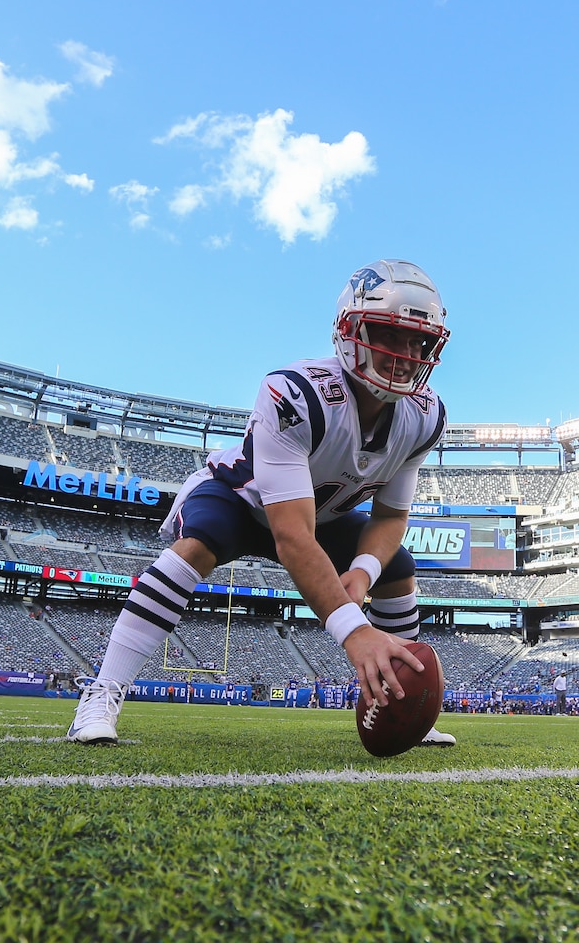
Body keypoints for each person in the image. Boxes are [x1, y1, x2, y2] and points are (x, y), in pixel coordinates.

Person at [68, 260, 455, 747]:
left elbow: (391, 516)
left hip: (321, 516)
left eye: (417, 341)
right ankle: (103, 690)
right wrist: (355, 632)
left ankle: (398, 697)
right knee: (197, 547)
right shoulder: (296, 394)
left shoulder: (425, 415)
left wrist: (362, 572)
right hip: (241, 497)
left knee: (394, 564)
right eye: (388, 334)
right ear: (351, 330)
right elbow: (291, 534)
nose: (405, 355)